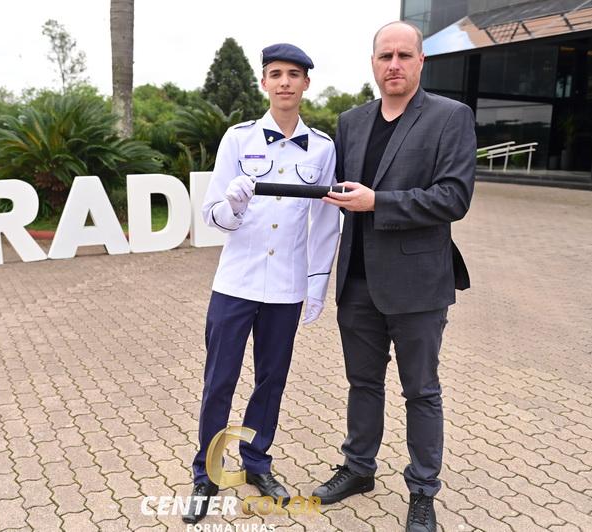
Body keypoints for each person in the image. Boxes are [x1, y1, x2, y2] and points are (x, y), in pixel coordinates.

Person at [311, 21, 476, 532]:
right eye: (386, 56)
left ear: (421, 61)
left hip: (418, 285)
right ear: (373, 63)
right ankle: (359, 468)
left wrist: (377, 202)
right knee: (362, 383)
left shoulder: (450, 117)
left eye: (405, 55)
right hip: (357, 280)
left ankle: (423, 491)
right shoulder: (352, 121)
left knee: (420, 391)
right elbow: (336, 188)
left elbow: (454, 197)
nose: (395, 64)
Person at [183, 43, 340, 524]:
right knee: (219, 382)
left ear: (306, 83)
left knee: (271, 382)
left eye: (294, 74)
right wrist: (232, 205)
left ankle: (256, 462)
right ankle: (206, 474)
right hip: (236, 283)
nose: (285, 82)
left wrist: (317, 285)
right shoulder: (238, 139)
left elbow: (326, 222)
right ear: (264, 82)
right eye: (276, 74)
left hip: (286, 287)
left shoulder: (323, 147)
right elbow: (212, 215)